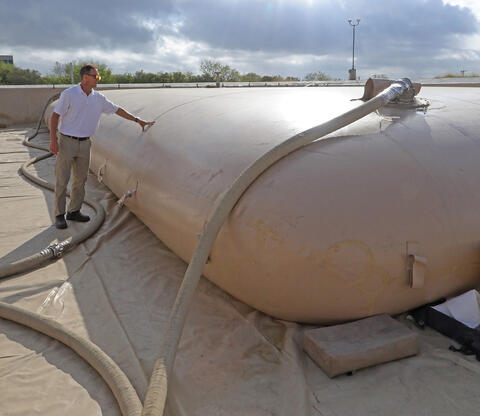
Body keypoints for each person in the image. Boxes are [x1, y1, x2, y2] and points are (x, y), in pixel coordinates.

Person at [49, 64, 155, 229]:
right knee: (62, 179)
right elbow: (55, 117)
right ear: (85, 77)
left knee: (80, 180)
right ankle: (59, 215)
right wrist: (53, 141)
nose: (98, 79)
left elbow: (117, 110)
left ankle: (73, 211)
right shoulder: (69, 94)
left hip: (85, 143)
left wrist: (137, 120)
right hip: (67, 142)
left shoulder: (98, 98)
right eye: (96, 77)